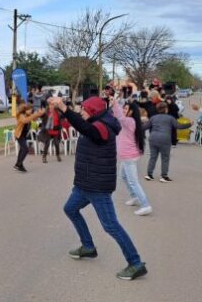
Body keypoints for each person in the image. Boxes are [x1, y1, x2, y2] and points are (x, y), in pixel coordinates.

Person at [50, 96, 147, 281]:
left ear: (93, 111)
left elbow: (84, 127)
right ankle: (88, 247)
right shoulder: (98, 121)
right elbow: (81, 124)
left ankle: (135, 263)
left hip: (97, 187)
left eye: (84, 109)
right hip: (84, 185)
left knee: (111, 226)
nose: (81, 112)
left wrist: (64, 108)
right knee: (70, 209)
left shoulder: (102, 127)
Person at [111, 98, 152, 216]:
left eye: (126, 109)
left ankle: (146, 205)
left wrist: (115, 104)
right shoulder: (130, 121)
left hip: (129, 157)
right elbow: (117, 116)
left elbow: (120, 117)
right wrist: (116, 106)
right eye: (123, 108)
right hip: (126, 156)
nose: (123, 110)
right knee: (123, 176)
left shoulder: (129, 121)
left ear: (131, 111)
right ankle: (135, 197)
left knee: (133, 182)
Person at [144, 102, 192, 182]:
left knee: (153, 157)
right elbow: (178, 126)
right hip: (165, 139)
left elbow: (144, 127)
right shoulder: (170, 118)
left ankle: (149, 175)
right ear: (166, 109)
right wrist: (189, 124)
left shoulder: (153, 117)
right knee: (165, 158)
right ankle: (164, 176)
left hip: (153, 138)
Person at [13, 103, 45, 173]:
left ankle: (19, 164)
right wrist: (34, 115)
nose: (31, 111)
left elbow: (34, 119)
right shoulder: (21, 115)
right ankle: (18, 164)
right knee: (25, 149)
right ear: (26, 110)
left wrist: (40, 113)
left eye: (31, 110)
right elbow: (25, 121)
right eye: (30, 110)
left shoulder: (28, 115)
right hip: (19, 135)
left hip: (23, 135)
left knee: (22, 149)